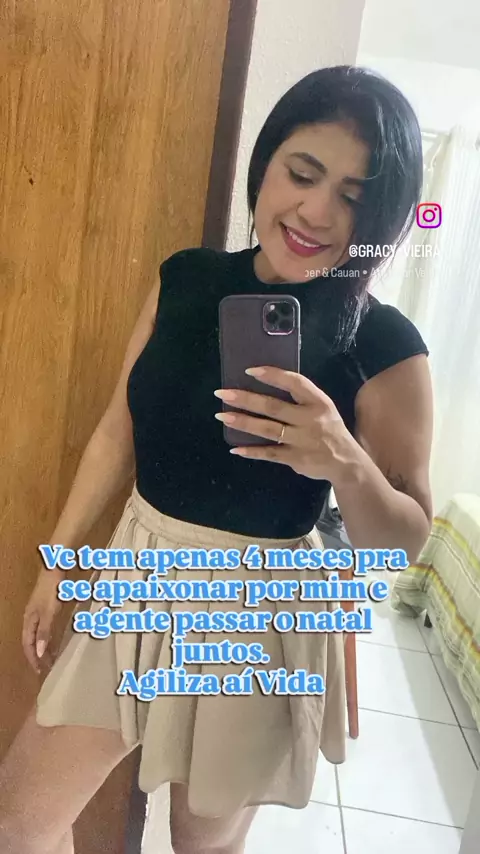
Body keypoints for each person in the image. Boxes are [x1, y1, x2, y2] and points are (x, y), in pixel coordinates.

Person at [0, 65, 434, 854]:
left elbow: (404, 540)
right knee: (19, 821)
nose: (316, 212)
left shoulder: (385, 343)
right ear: (264, 166)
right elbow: (116, 433)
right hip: (137, 574)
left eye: (353, 196)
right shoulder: (187, 279)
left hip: (260, 611)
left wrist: (345, 461)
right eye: (303, 173)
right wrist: (59, 562)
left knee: (201, 843)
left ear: (381, 218)